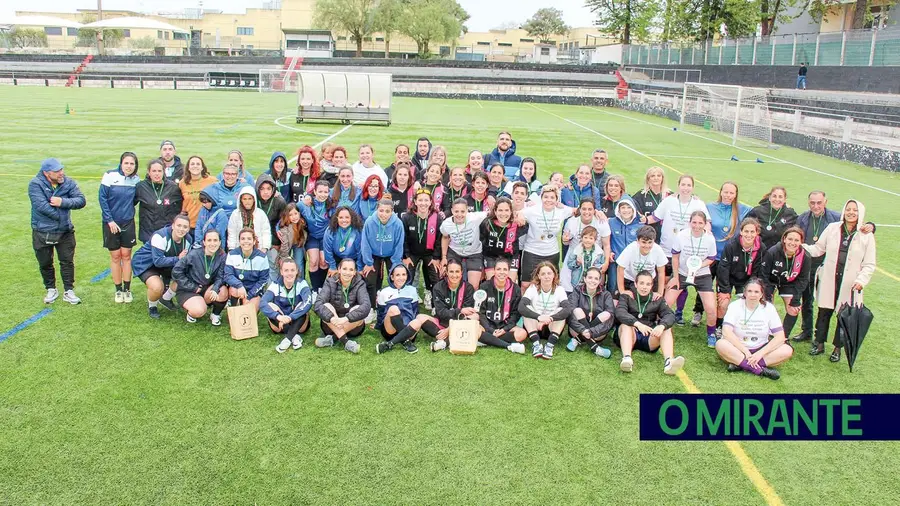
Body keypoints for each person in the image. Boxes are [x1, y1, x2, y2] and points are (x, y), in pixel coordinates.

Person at [804, 200, 876, 362]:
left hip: (850, 284)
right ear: (843, 211)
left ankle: (838, 348)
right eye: (848, 209)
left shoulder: (866, 235)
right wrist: (801, 247)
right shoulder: (832, 228)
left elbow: (869, 264)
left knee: (844, 315)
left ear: (860, 213)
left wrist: (861, 281)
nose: (851, 213)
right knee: (824, 311)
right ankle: (819, 343)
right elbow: (818, 248)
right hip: (829, 278)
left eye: (855, 210)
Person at [646, 174, 710, 323]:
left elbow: (706, 223)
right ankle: (658, 313)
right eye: (683, 184)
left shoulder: (698, 204)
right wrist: (642, 220)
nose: (686, 188)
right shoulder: (669, 201)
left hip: (688, 253)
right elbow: (655, 217)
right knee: (665, 282)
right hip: (667, 250)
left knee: (683, 283)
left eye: (689, 185)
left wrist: (707, 234)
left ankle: (679, 313)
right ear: (678, 185)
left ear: (693, 187)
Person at [688, 181, 751, 328]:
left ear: (736, 195)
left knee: (723, 287)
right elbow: (697, 211)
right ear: (720, 192)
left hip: (729, 257)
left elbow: (760, 210)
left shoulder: (742, 210)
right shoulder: (710, 207)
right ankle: (698, 310)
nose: (728, 195)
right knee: (705, 284)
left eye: (732, 193)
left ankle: (721, 317)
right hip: (711, 256)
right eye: (726, 192)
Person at [29, 157, 86, 305]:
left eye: (61, 169)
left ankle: (69, 290)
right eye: (57, 171)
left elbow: (81, 200)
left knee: (67, 262)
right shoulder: (35, 185)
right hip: (42, 231)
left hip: (65, 231)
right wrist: (62, 213)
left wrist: (63, 202)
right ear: (47, 173)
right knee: (45, 262)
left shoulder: (68, 182)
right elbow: (42, 207)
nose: (61, 173)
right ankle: (51, 289)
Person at [716, 278, 792, 380]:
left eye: (756, 292)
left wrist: (760, 354)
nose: (753, 295)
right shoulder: (735, 306)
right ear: (745, 293)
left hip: (760, 348)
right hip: (738, 348)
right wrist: (746, 351)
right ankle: (759, 370)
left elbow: (780, 336)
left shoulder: (769, 308)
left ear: (761, 294)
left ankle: (740, 364)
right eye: (750, 291)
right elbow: (726, 332)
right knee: (720, 344)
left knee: (787, 350)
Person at [666, 211, 720, 347]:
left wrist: (698, 266)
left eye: (700, 223)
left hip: (702, 274)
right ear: (690, 222)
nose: (697, 226)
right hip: (682, 273)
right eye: (694, 222)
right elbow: (675, 257)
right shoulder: (681, 236)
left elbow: (711, 259)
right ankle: (663, 328)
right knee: (666, 303)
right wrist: (676, 277)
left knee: (711, 308)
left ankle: (711, 334)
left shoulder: (709, 238)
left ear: (705, 224)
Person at [615, 270, 684, 375]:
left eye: (648, 284)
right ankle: (627, 358)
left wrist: (661, 326)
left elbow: (669, 315)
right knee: (625, 325)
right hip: (630, 334)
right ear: (635, 284)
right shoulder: (627, 296)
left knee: (667, 328)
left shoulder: (657, 298)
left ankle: (669, 362)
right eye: (641, 283)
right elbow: (620, 312)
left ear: (652, 285)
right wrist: (637, 324)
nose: (644, 287)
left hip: (648, 336)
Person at [131, 214, 192, 318]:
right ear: (173, 226)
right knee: (157, 287)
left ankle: (166, 298)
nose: (181, 229)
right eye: (179, 225)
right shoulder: (160, 236)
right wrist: (178, 258)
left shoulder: (188, 240)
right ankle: (152, 306)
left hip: (167, 263)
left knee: (186, 277)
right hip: (147, 263)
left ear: (189, 229)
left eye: (185, 227)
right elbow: (158, 261)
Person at [99, 151, 140, 303]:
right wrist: (110, 220)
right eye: (126, 163)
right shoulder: (110, 176)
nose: (129, 166)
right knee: (116, 257)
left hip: (127, 222)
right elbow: (102, 199)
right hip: (111, 224)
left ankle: (127, 290)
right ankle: (118, 290)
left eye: (132, 164)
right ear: (121, 163)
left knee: (127, 256)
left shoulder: (136, 180)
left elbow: (135, 200)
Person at [518, 185, 575, 291]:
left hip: (551, 253)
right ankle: (524, 306)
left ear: (557, 199)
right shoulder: (532, 210)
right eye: (546, 197)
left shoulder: (561, 210)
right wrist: (520, 214)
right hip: (532, 252)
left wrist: (598, 212)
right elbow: (518, 213)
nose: (549, 200)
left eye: (552, 197)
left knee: (552, 284)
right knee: (526, 285)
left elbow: (578, 211)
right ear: (541, 198)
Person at [716, 218, 767, 336]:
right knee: (723, 303)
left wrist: (750, 289)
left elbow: (757, 271)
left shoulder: (761, 248)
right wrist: (724, 290)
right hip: (728, 277)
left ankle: (742, 328)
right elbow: (723, 268)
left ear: (757, 233)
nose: (749, 235)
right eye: (746, 231)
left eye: (752, 232)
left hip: (746, 280)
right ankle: (719, 327)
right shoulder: (731, 245)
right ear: (741, 232)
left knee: (748, 302)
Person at [759, 227, 811, 340]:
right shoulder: (773, 252)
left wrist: (795, 298)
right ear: (784, 239)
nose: (793, 243)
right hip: (771, 281)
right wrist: (767, 294)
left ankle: (783, 337)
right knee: (765, 306)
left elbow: (803, 279)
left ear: (801, 242)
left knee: (794, 308)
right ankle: (764, 336)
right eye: (790, 239)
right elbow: (764, 275)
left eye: (796, 240)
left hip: (789, 283)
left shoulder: (805, 256)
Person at [361, 199, 405, 322]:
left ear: (392, 211)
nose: (383, 214)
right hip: (374, 254)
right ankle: (371, 309)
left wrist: (396, 263)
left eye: (387, 211)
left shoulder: (397, 224)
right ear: (377, 210)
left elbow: (399, 244)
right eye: (381, 210)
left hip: (391, 254)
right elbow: (365, 243)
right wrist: (368, 262)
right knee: (370, 280)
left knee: (397, 278)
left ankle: (398, 306)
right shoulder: (370, 222)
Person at [172, 229, 228, 325]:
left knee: (222, 291)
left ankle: (215, 314)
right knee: (199, 311)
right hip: (189, 290)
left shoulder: (222, 256)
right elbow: (176, 271)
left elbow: (221, 276)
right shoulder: (194, 254)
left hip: (206, 289)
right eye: (209, 240)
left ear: (220, 242)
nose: (212, 243)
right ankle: (192, 312)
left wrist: (215, 289)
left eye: (215, 240)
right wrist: (192, 287)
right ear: (204, 242)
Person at [313, 258, 369, 354]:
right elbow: (318, 304)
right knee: (326, 305)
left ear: (355, 272)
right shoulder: (330, 282)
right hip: (331, 325)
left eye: (351, 270)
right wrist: (332, 318)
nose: (347, 272)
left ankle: (332, 339)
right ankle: (346, 342)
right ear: (339, 269)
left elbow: (366, 306)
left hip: (353, 327)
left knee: (358, 309)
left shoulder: (360, 283)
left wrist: (345, 319)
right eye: (344, 269)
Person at [519, 262, 572, 359]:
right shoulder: (532, 288)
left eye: (549, 273)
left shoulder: (559, 289)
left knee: (561, 310)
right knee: (527, 308)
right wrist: (538, 317)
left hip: (551, 327)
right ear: (538, 276)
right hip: (535, 326)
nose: (546, 276)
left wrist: (551, 318)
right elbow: (521, 307)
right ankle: (536, 345)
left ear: (554, 275)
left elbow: (568, 309)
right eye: (543, 274)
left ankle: (549, 346)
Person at [374, 264, 431, 354]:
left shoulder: (412, 290)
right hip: (390, 330)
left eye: (404, 274)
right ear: (392, 277)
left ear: (407, 276)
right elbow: (381, 313)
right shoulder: (384, 292)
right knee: (393, 308)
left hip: (408, 330)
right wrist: (378, 326)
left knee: (417, 321)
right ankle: (406, 342)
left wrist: (414, 328)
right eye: (398, 275)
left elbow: (415, 311)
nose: (401, 278)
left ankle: (389, 344)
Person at [261, 257, 313, 353]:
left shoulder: (302, 283)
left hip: (298, 323)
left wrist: (290, 317)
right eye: (286, 270)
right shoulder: (275, 285)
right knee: (270, 305)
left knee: (302, 306)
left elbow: (308, 302)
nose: (289, 273)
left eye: (292, 270)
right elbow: (262, 303)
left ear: (297, 271)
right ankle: (294, 337)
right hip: (279, 324)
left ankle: (287, 339)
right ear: (281, 272)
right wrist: (278, 317)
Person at [476, 259, 528, 353]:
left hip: (505, 325)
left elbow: (515, 314)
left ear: (508, 271)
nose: (501, 272)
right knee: (475, 329)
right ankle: (508, 346)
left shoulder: (515, 289)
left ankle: (487, 340)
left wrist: (505, 329)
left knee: (522, 334)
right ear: (494, 270)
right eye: (499, 269)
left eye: (505, 269)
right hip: (488, 325)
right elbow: (481, 312)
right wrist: (490, 330)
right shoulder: (484, 286)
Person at [402, 189, 441, 309]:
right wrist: (406, 256)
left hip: (430, 253)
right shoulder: (407, 217)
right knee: (407, 275)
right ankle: (407, 301)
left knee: (434, 276)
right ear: (415, 201)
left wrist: (436, 257)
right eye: (420, 200)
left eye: (426, 200)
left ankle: (433, 301)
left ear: (430, 202)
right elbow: (404, 239)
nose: (423, 203)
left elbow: (440, 239)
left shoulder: (437, 218)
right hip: (412, 253)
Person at [561, 198, 611, 291]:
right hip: (575, 257)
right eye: (584, 209)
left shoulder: (601, 222)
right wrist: (565, 240)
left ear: (594, 210)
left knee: (594, 288)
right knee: (569, 287)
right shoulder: (572, 222)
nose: (587, 212)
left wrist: (606, 262)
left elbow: (607, 245)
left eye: (590, 209)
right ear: (579, 209)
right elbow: (566, 242)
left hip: (595, 257)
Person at [566, 267, 616, 357]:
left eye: (596, 278)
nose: (592, 281)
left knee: (606, 314)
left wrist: (591, 331)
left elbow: (611, 318)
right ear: (585, 278)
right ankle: (595, 348)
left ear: (600, 280)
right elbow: (569, 313)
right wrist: (582, 330)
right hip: (577, 330)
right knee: (577, 310)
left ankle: (577, 340)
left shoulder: (606, 294)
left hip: (597, 333)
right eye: (590, 277)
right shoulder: (577, 291)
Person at [428, 260, 477, 352]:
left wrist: (449, 329)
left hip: (461, 323)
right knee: (420, 318)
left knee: (474, 317)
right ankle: (454, 335)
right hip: (442, 323)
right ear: (446, 272)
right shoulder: (438, 287)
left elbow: (467, 314)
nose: (454, 275)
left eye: (457, 271)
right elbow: (441, 312)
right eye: (451, 271)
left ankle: (443, 343)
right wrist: (460, 311)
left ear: (462, 272)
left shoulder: (468, 288)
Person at [440, 198, 488, 289]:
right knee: (452, 280)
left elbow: (493, 213)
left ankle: (469, 302)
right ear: (452, 211)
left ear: (467, 210)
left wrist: (518, 214)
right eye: (456, 211)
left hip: (474, 252)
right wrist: (444, 257)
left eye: (462, 211)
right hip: (455, 252)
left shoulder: (475, 217)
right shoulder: (446, 224)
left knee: (473, 286)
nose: (459, 214)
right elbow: (445, 237)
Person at [135, 158, 183, 244]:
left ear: (163, 171)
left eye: (159, 171)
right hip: (147, 232)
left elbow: (180, 207)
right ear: (149, 172)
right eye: (154, 171)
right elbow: (129, 204)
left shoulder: (173, 188)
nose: (157, 174)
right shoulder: (141, 187)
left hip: (166, 232)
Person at [481, 197, 528, 283]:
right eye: (500, 210)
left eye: (506, 210)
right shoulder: (487, 223)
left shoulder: (517, 224)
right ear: (495, 211)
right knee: (492, 282)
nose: (503, 213)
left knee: (510, 282)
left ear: (511, 212)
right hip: (491, 256)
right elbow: (482, 239)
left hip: (510, 256)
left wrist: (519, 214)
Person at [224, 227, 270, 312]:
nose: (246, 241)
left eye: (249, 238)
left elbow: (263, 280)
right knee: (234, 290)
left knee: (249, 311)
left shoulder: (262, 257)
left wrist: (249, 296)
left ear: (254, 241)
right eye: (243, 238)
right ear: (239, 241)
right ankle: (234, 310)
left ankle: (246, 305)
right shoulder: (232, 254)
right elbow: (228, 275)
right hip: (238, 288)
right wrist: (239, 286)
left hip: (254, 290)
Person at [616, 226, 668, 298]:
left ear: (654, 241)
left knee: (654, 303)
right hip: (630, 279)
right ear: (637, 240)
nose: (647, 246)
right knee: (617, 302)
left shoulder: (658, 250)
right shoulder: (631, 248)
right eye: (643, 242)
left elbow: (661, 272)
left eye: (650, 242)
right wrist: (622, 291)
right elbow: (620, 268)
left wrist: (660, 293)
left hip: (649, 281)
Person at [298, 180, 331, 292]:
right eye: (320, 191)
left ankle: (320, 288)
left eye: (325, 192)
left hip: (325, 237)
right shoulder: (305, 204)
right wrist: (279, 227)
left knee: (323, 261)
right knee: (313, 261)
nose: (323, 194)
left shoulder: (331, 205)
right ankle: (314, 289)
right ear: (315, 192)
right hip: (312, 237)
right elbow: (289, 211)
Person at [608, 198, 643, 293]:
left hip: (632, 263)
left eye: (629, 207)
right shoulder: (610, 222)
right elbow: (606, 239)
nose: (626, 210)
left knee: (632, 288)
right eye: (623, 207)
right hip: (616, 261)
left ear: (633, 210)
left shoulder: (640, 226)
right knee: (613, 286)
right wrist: (609, 251)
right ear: (618, 210)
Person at [256, 174, 287, 278]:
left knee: (273, 266)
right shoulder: (253, 200)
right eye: (262, 189)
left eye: (269, 189)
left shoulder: (279, 201)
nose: (265, 192)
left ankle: (271, 291)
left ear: (273, 189)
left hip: (273, 238)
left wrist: (276, 242)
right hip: (255, 239)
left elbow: (282, 224)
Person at [631, 166, 671, 244]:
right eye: (653, 176)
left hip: (665, 235)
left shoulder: (670, 195)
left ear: (662, 178)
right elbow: (631, 207)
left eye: (659, 176)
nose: (656, 178)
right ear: (648, 179)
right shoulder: (641, 195)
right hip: (647, 235)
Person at [178, 156, 217, 231]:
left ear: (202, 167)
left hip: (206, 224)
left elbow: (226, 184)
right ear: (188, 168)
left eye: (198, 164)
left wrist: (240, 181)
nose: (195, 166)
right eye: (192, 164)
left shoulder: (212, 181)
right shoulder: (182, 183)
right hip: (189, 224)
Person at [226, 186, 271, 252]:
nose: (247, 201)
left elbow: (266, 232)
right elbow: (232, 233)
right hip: (239, 249)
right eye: (245, 199)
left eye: (250, 199)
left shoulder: (260, 213)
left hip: (258, 249)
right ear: (241, 200)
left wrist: (265, 248)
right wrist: (232, 249)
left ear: (254, 200)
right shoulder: (235, 214)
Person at [323, 206, 364, 274]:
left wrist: (360, 268)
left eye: (347, 217)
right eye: (341, 217)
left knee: (355, 280)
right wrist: (332, 266)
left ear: (351, 218)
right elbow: (327, 250)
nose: (344, 220)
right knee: (334, 281)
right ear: (337, 218)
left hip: (354, 259)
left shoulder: (357, 231)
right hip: (337, 258)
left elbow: (360, 251)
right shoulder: (330, 230)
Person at [274, 203, 307, 276]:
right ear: (287, 216)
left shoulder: (303, 223)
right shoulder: (284, 229)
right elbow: (284, 246)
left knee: (299, 262)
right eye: (290, 215)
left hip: (298, 243)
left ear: (299, 213)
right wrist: (283, 258)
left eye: (295, 214)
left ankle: (300, 281)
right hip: (287, 245)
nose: (294, 217)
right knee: (286, 263)